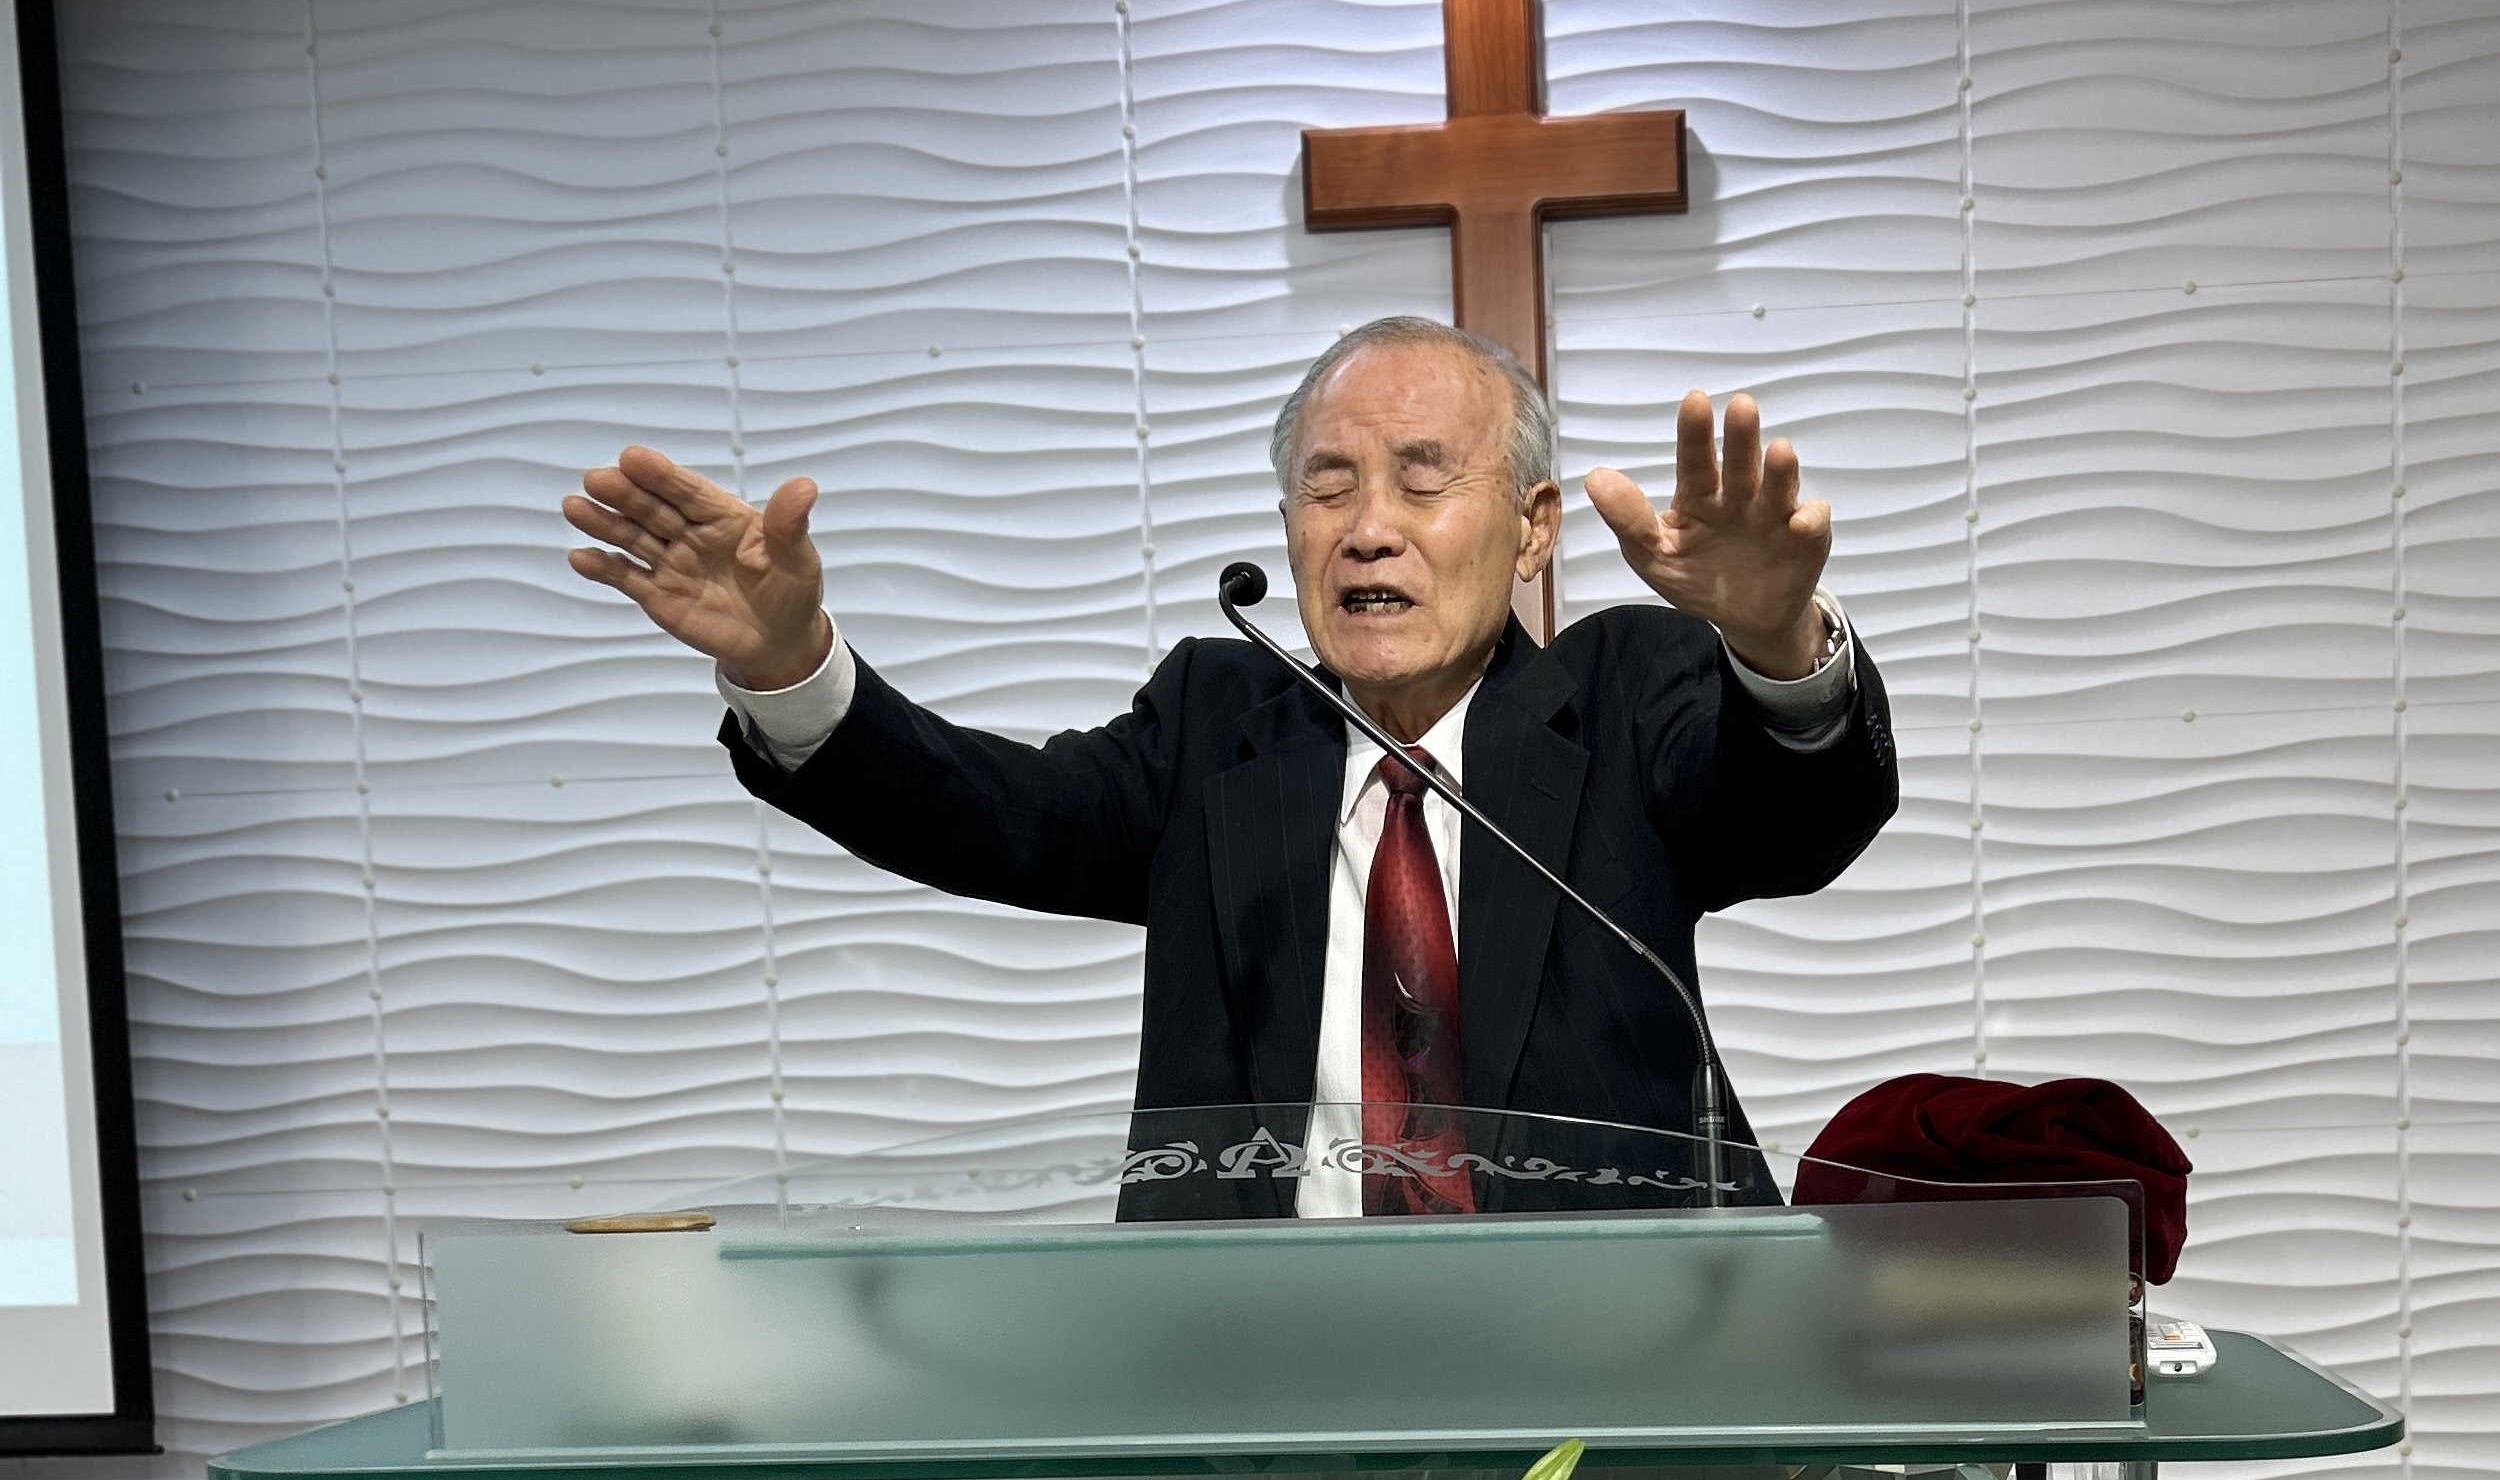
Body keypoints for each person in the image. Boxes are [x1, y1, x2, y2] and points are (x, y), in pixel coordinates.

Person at [562, 316, 1898, 1213]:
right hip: (1268, 1386)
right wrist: (793, 666)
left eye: (1423, 480)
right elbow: (993, 816)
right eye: (1329, 486)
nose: (1368, 529)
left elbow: (1797, 814)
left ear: (1534, 529)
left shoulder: (1622, 700)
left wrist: (1774, 638)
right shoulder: (1219, 727)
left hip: (1608, 1377)